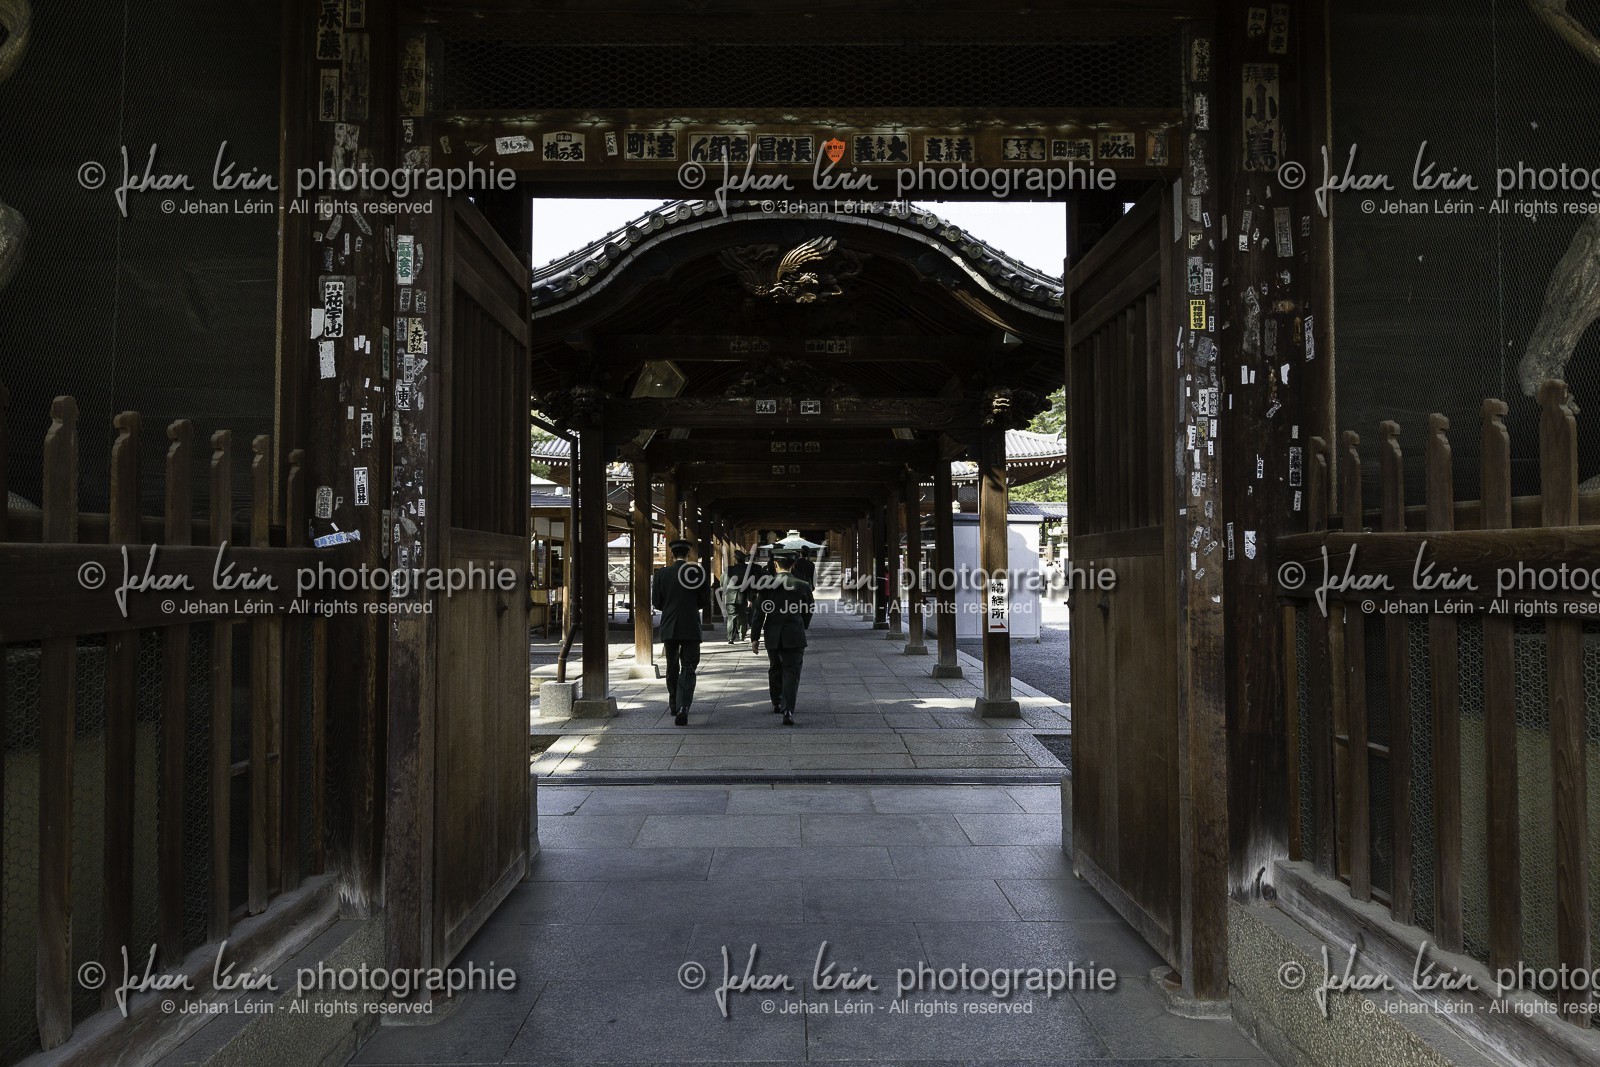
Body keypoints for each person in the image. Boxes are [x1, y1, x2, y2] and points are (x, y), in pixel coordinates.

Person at [748, 550, 815, 726]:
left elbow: (759, 613)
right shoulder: (802, 585)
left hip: (773, 633)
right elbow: (809, 609)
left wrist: (755, 637)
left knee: (775, 668)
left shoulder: (765, 585)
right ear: (793, 565)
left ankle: (776, 702)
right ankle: (788, 709)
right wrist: (802, 624)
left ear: (775, 564)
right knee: (792, 672)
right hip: (794, 633)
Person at [651, 539, 709, 725]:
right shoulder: (697, 573)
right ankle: (684, 705)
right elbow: (704, 601)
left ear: (671, 554)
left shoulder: (662, 574)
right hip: (691, 624)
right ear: (689, 555)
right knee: (689, 665)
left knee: (672, 664)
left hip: (669, 624)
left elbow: (657, 602)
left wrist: (669, 607)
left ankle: (674, 702)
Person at [723, 549, 757, 643]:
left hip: (730, 597)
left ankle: (730, 637)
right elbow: (750, 586)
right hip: (743, 596)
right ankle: (742, 635)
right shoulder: (748, 571)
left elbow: (723, 583)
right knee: (743, 617)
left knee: (731, 617)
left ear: (735, 559)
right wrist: (750, 599)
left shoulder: (728, 569)